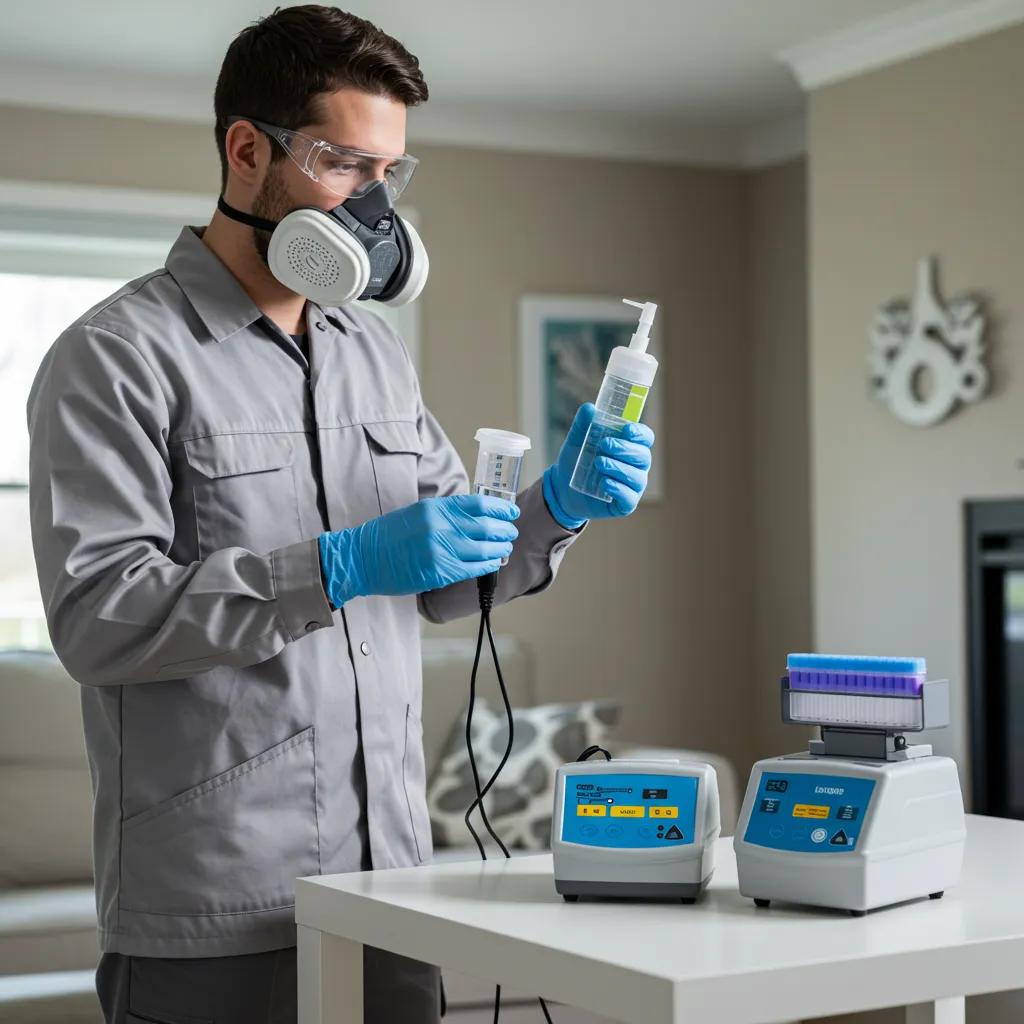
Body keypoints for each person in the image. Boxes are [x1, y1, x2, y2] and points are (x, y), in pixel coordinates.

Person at [26, 6, 655, 1023]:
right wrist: (338, 563)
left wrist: (550, 509)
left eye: (389, 176)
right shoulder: (116, 358)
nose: (375, 209)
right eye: (344, 166)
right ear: (246, 151)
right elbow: (101, 618)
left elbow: (447, 576)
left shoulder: (370, 350)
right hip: (217, 912)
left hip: (394, 893)